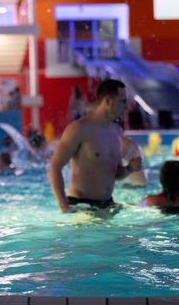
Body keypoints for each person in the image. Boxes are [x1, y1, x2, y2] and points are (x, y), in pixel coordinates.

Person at [48, 79, 143, 212]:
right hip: (82, 206)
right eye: (122, 102)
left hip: (107, 204)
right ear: (108, 101)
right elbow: (54, 166)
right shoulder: (80, 129)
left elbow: (116, 173)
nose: (126, 107)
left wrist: (130, 169)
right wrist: (64, 206)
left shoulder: (116, 131)